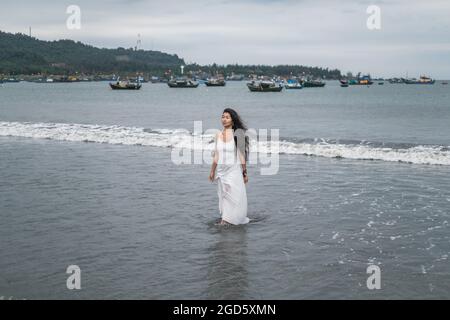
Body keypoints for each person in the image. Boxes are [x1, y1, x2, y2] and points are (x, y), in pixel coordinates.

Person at [209, 108, 250, 225]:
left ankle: (232, 219)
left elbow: (241, 156)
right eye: (223, 117)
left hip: (234, 170)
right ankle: (226, 219)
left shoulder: (238, 134)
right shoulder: (218, 135)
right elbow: (216, 155)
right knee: (224, 195)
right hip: (222, 171)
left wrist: (244, 172)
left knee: (234, 194)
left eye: (227, 117)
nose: (224, 119)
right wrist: (212, 171)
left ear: (232, 120)